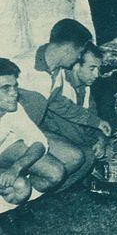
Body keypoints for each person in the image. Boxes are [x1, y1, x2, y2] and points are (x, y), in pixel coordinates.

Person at [13, 19, 95, 190]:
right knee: (55, 171)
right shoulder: (21, 66)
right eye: (79, 52)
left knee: (76, 157)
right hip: (9, 138)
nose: (79, 57)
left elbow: (60, 105)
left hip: (32, 134)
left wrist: (96, 122)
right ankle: (14, 193)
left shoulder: (57, 71)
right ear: (68, 49)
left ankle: (25, 195)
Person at [0, 58, 65, 216]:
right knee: (18, 186)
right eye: (5, 88)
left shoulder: (13, 109)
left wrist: (16, 168)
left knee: (22, 186)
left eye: (15, 86)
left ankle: (8, 209)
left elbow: (39, 141)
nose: (14, 93)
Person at [41, 43, 111, 189]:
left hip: (70, 140)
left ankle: (58, 188)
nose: (97, 75)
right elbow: (68, 126)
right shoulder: (58, 83)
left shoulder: (85, 88)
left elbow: (93, 119)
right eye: (92, 68)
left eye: (98, 69)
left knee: (94, 154)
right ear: (76, 65)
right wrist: (94, 139)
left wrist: (101, 139)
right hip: (44, 139)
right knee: (82, 155)